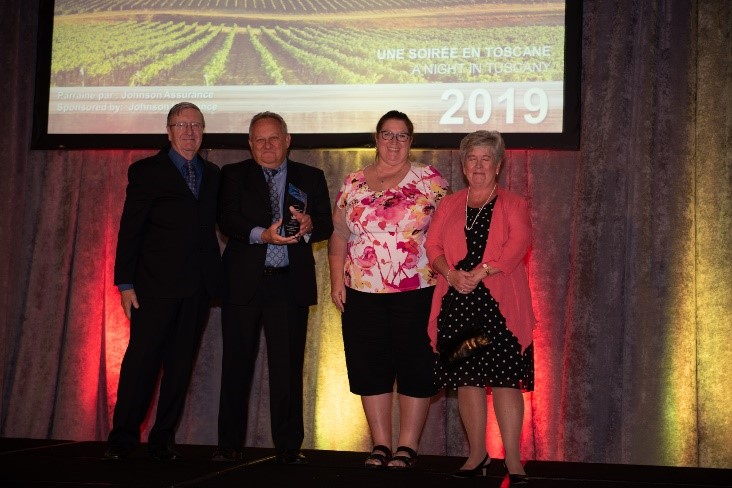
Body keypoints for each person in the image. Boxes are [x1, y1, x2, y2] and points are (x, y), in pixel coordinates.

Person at [328, 110, 449, 469]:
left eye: (402, 136)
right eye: (387, 134)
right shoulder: (352, 183)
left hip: (418, 291)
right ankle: (380, 445)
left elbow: (449, 232)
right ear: (376, 138)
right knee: (369, 367)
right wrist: (337, 280)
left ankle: (407, 447)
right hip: (361, 292)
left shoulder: (430, 180)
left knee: (416, 366)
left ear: (411, 141)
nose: (394, 142)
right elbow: (338, 234)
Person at [214, 111, 333, 464]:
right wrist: (261, 235)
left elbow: (325, 223)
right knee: (235, 367)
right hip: (243, 285)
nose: (267, 145)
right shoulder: (233, 175)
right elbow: (228, 219)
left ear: (287, 140)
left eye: (274, 138)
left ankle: (288, 448)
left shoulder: (311, 177)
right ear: (250, 144)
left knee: (287, 370)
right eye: (259, 140)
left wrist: (310, 225)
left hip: (288, 286)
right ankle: (228, 445)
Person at [105, 102, 221, 461]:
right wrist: (125, 283)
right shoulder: (146, 171)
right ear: (168, 131)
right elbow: (131, 229)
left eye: (196, 125)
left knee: (180, 366)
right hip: (152, 289)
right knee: (141, 363)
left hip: (198, 289)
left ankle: (163, 440)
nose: (190, 132)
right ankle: (122, 438)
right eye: (182, 125)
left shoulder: (213, 173)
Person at [425, 130, 535, 485]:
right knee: (466, 381)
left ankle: (514, 460)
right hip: (457, 304)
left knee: (505, 380)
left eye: (486, 158)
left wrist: (482, 271)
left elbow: (518, 245)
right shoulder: (450, 203)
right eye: (472, 158)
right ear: (462, 164)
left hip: (497, 306)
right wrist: (452, 274)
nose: (478, 165)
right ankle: (477, 454)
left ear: (498, 165)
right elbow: (433, 246)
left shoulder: (514, 204)